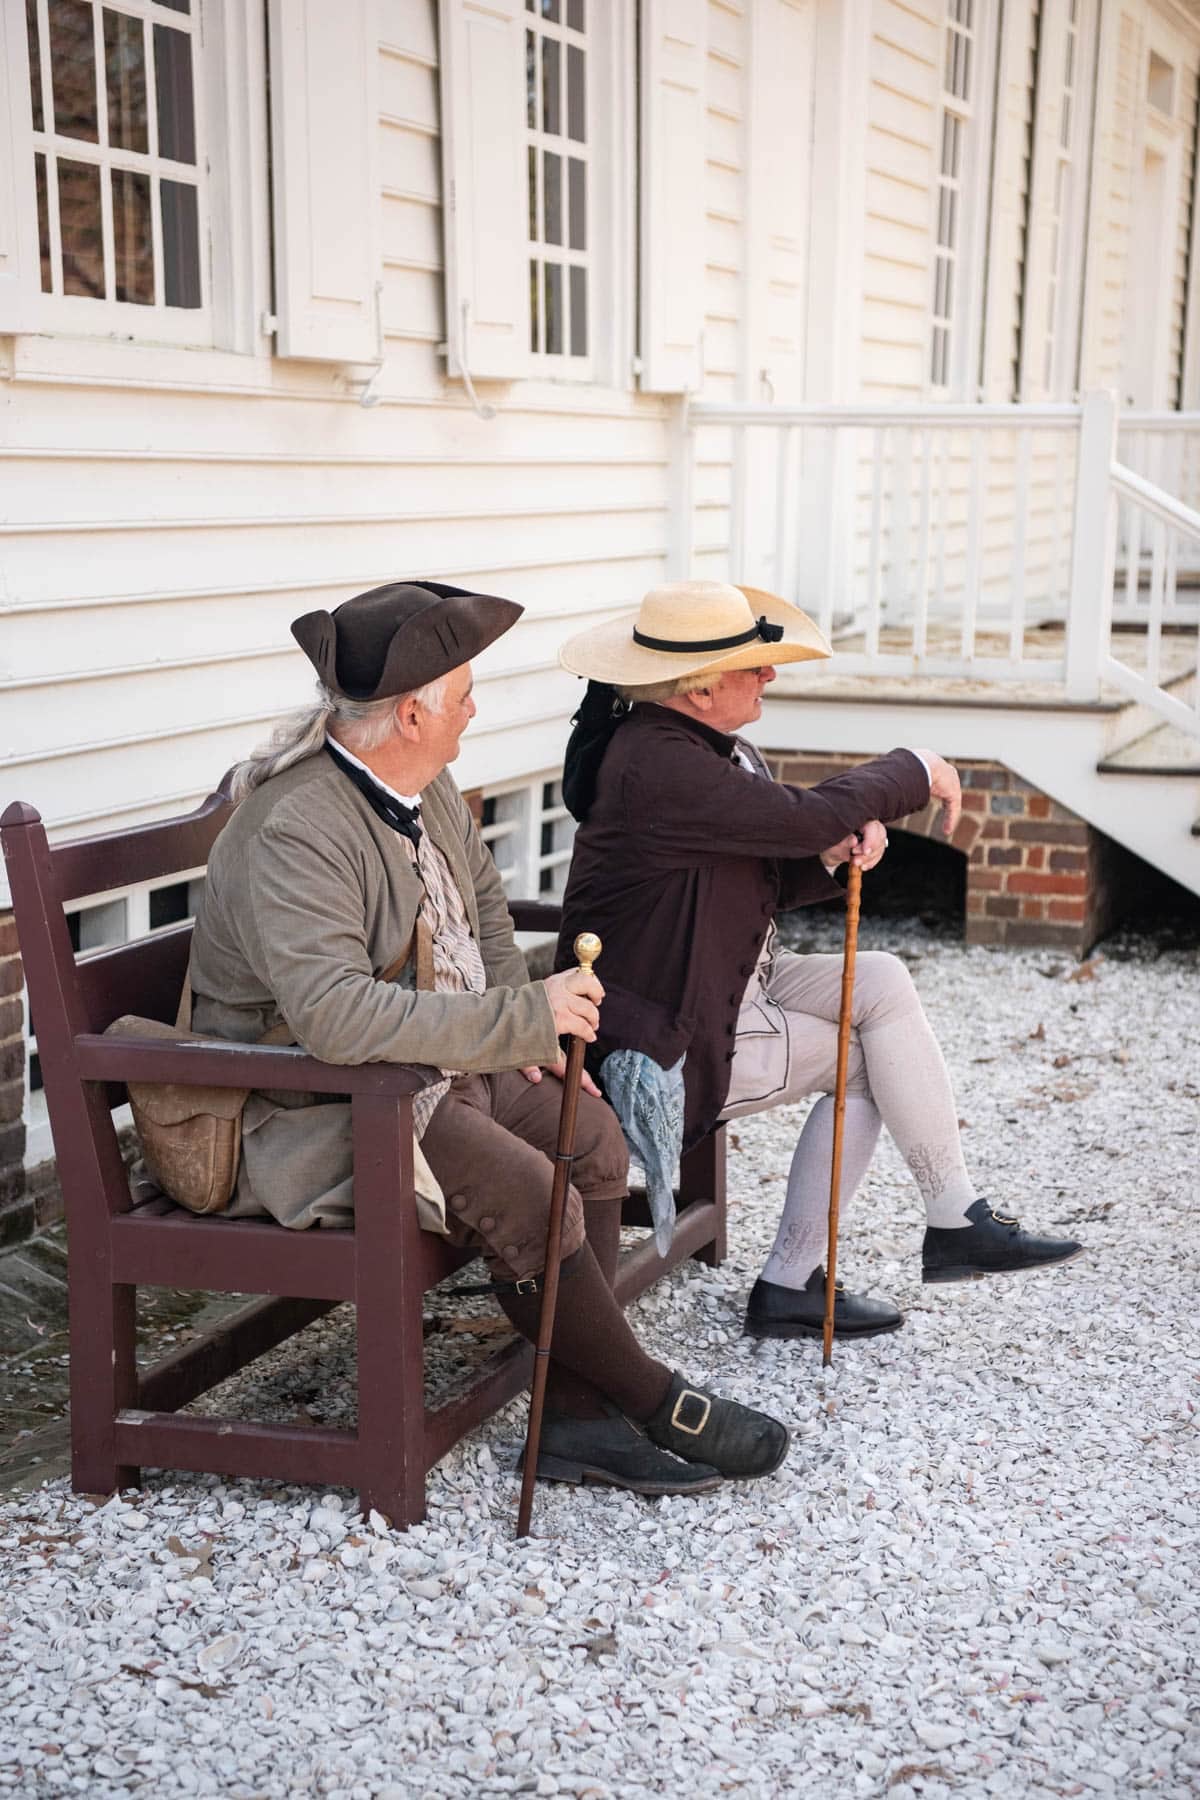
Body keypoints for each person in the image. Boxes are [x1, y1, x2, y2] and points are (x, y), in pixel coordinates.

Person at [187, 579, 789, 1494]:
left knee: (591, 1137)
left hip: (421, 1065)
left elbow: (491, 927)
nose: (476, 704)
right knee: (528, 1191)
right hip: (313, 1101)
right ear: (414, 711)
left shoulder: (424, 788)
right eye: (464, 689)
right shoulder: (297, 828)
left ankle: (576, 1423)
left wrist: (529, 1033)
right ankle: (656, 1401)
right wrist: (519, 1019)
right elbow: (335, 1018)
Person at [554, 579, 1083, 1341]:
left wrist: (832, 855)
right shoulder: (656, 765)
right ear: (700, 690)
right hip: (658, 1033)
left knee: (884, 981)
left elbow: (758, 870)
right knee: (864, 1062)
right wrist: (913, 767)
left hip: (717, 986)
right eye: (752, 665)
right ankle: (794, 1281)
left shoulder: (699, 748)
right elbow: (802, 816)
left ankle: (953, 1213)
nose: (769, 674)